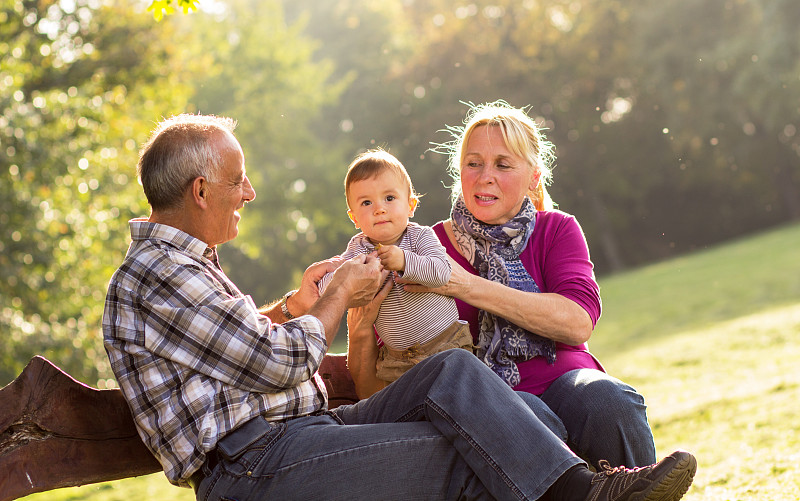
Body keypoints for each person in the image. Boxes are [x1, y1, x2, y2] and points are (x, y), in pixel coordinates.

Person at [102, 113, 697, 501]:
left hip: (298, 434)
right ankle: (586, 495)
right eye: (239, 180)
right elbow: (277, 364)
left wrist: (291, 307)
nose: (250, 193)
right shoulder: (160, 272)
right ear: (201, 191)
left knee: (465, 379)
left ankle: (582, 490)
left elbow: (232, 348)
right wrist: (338, 298)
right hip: (254, 466)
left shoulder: (185, 265)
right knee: (480, 450)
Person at [387, 100, 654, 470]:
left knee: (609, 401)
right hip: (489, 400)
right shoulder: (425, 247)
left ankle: (639, 486)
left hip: (566, 377)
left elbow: (577, 322)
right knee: (528, 418)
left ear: (533, 177)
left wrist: (466, 285)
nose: (484, 177)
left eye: (503, 164)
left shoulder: (557, 229)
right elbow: (397, 347)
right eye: (473, 163)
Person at [317, 149, 473, 384]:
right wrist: (348, 278)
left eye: (389, 198)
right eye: (366, 202)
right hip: (396, 359)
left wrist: (404, 261)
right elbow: (331, 288)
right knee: (404, 412)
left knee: (456, 396)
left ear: (410, 205)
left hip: (446, 344)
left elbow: (442, 272)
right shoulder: (359, 250)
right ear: (354, 218)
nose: (379, 209)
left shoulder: (420, 237)